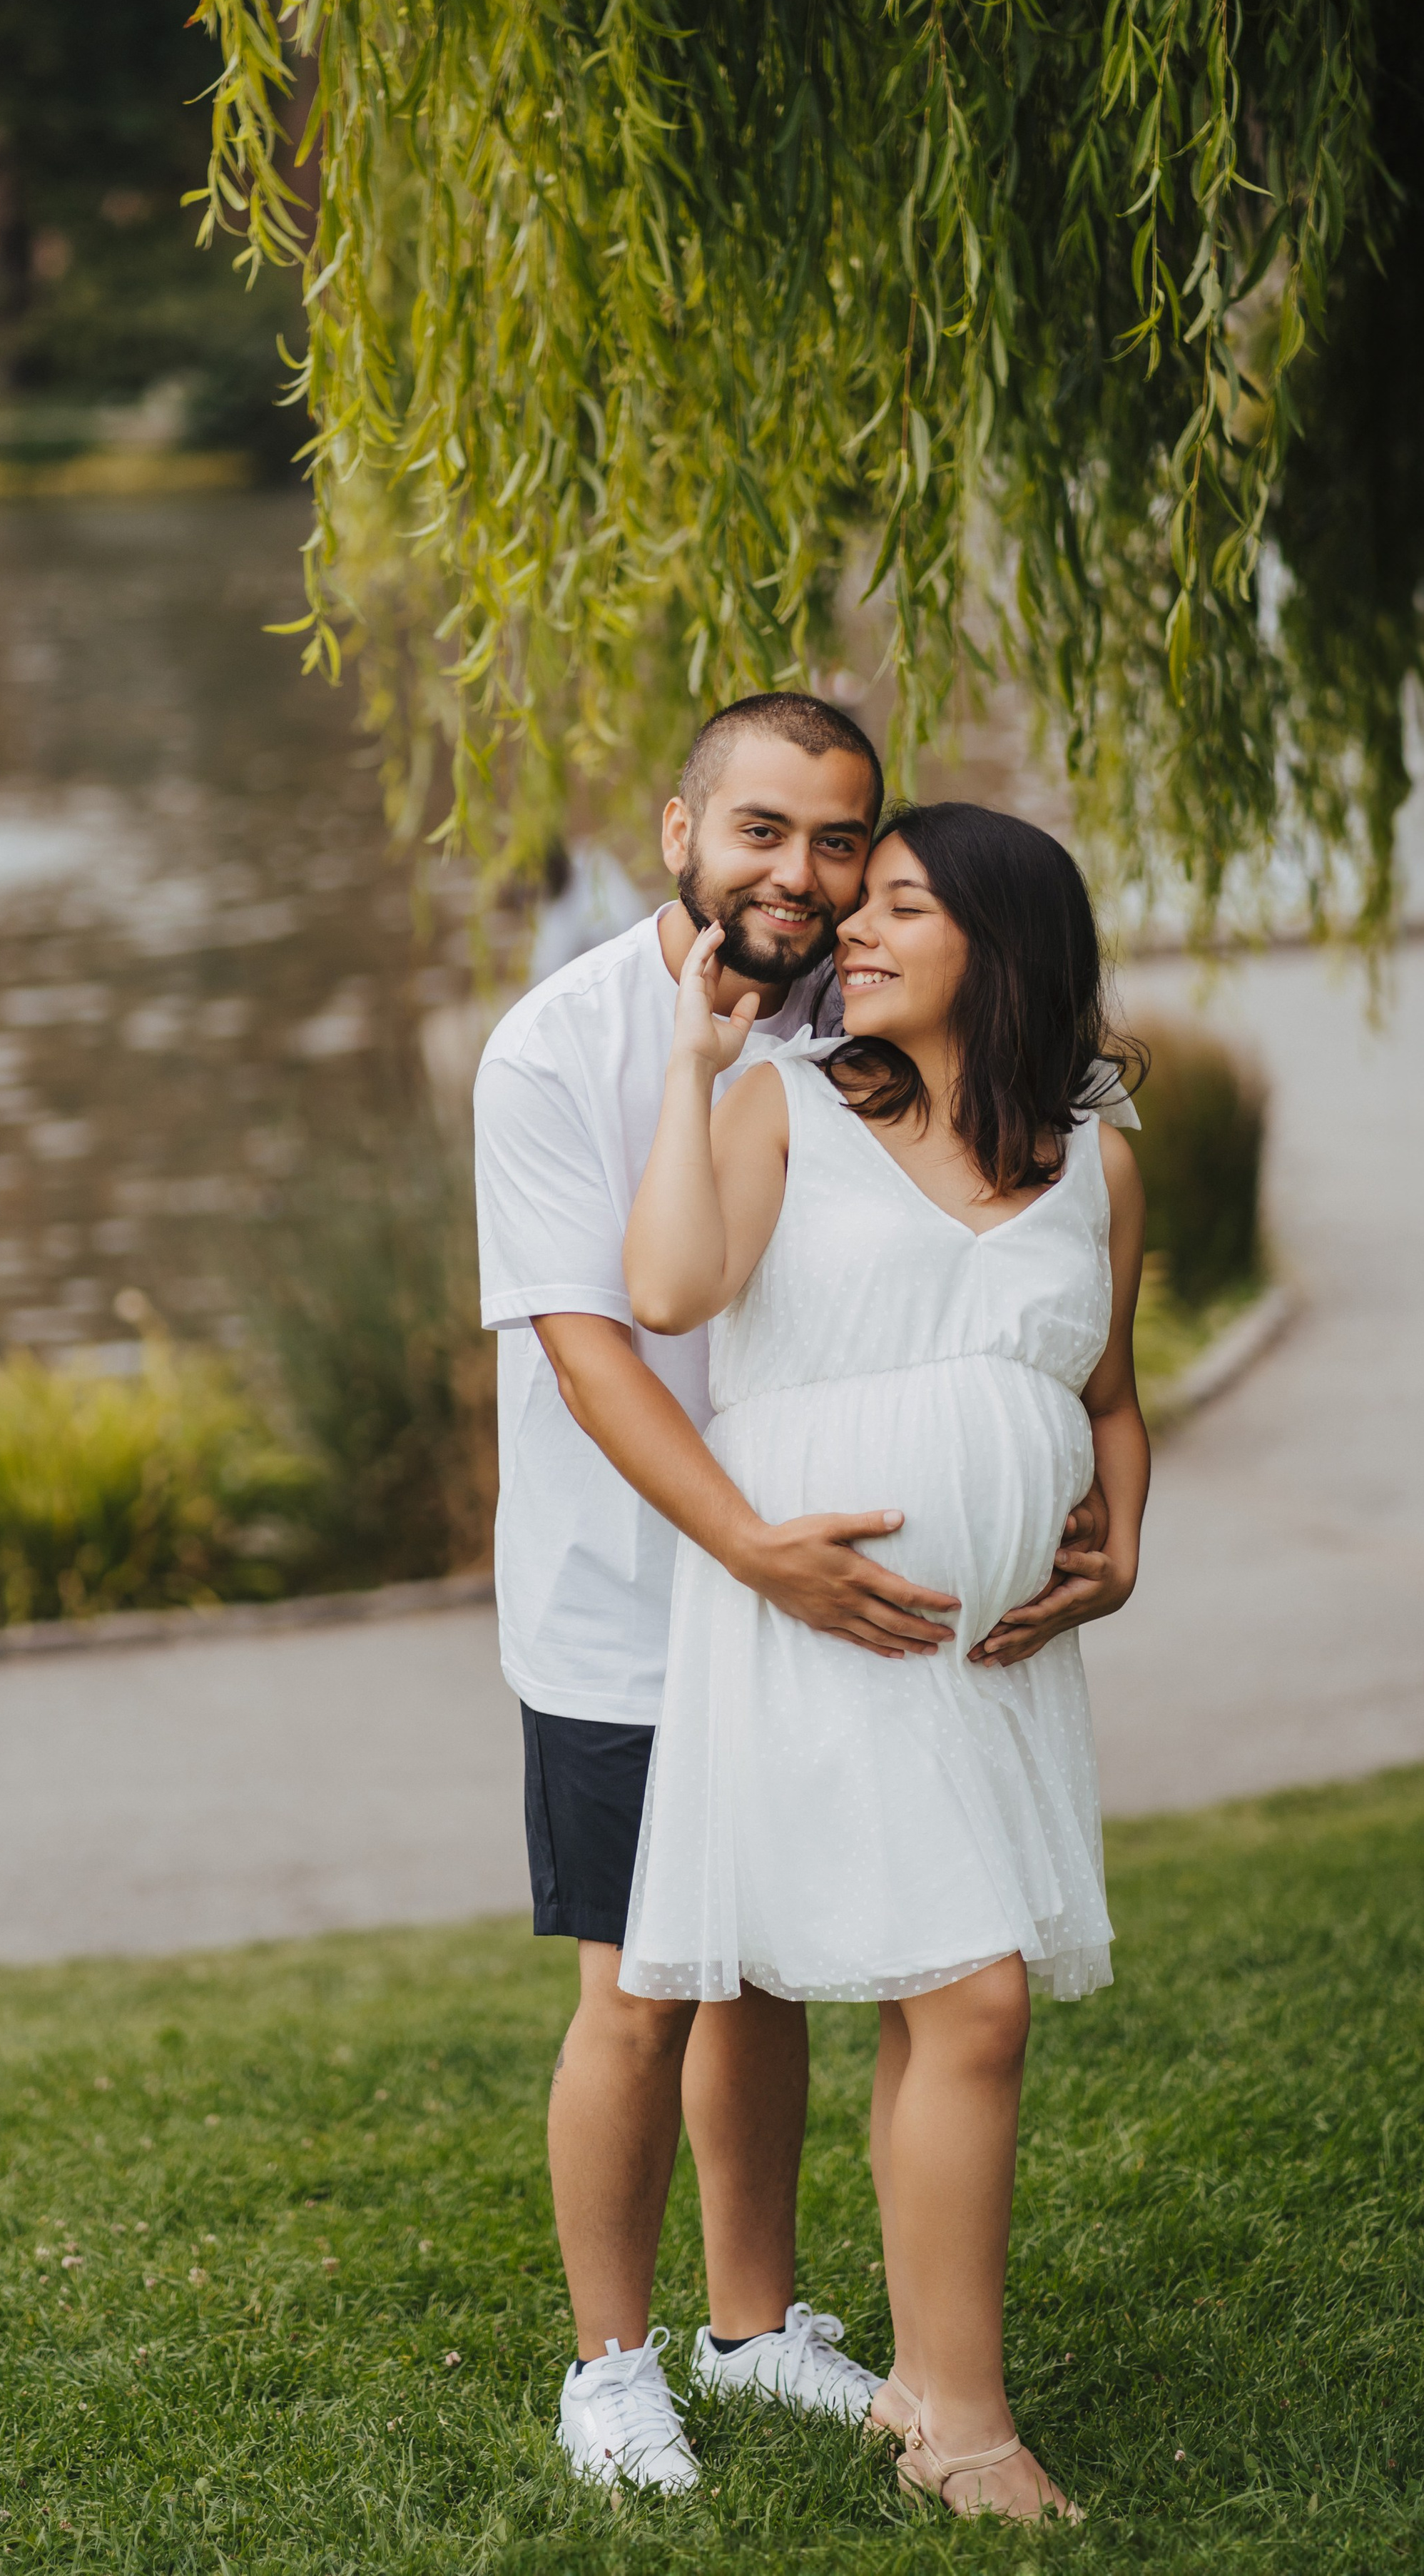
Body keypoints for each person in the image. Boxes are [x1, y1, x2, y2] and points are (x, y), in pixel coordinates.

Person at [473, 703, 1112, 2492]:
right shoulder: (556, 1050)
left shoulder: (866, 1017)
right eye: (763, 833)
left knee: (762, 1973)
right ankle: (609, 2363)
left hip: (834, 1604)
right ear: (681, 828)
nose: (804, 876)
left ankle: (750, 2327)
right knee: (639, 1981)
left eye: (840, 843)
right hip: (631, 1593)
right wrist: (748, 1547)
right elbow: (597, 1352)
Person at [619, 801, 1150, 2523]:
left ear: (999, 948)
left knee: (954, 2006)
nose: (850, 927)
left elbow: (1108, 1392)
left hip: (987, 1656)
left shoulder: (1095, 1159)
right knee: (972, 1993)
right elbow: (668, 1289)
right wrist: (698, 1071)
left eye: (898, 906)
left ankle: (928, 2381)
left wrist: (1119, 1539)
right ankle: (965, 2435)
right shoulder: (780, 1105)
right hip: (822, 1615)